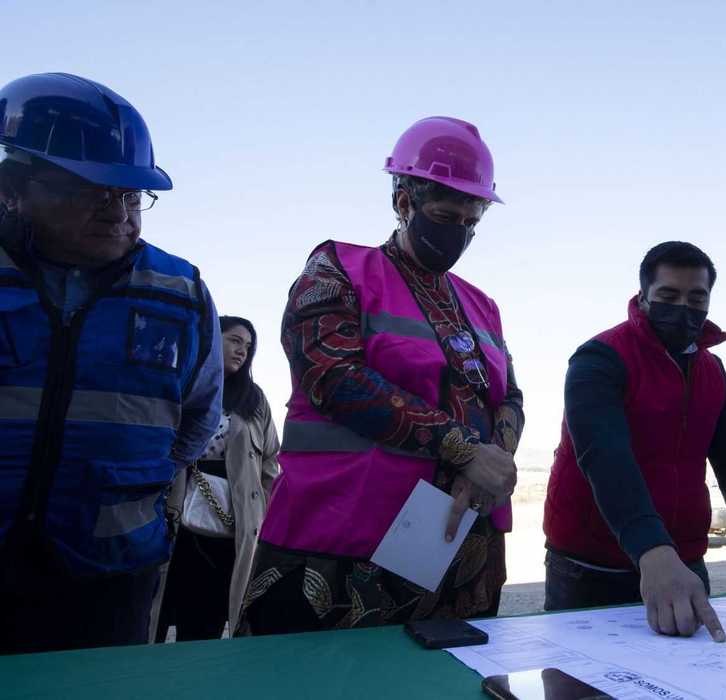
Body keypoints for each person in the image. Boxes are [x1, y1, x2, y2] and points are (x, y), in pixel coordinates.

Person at [241, 117, 523, 634]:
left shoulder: (482, 305)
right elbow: (333, 375)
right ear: (403, 202)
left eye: (470, 220)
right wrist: (464, 449)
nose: (457, 232)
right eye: (444, 215)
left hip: (461, 538)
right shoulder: (337, 270)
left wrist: (491, 464)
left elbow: (510, 397)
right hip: (343, 537)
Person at [0, 73, 222, 654]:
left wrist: (124, 488)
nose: (118, 212)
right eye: (91, 190)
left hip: (110, 580)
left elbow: (198, 419)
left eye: (129, 194)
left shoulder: (180, 293)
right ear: (14, 185)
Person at [543, 241, 726, 642]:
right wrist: (652, 551)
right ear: (643, 296)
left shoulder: (711, 371)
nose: (682, 308)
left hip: (684, 562)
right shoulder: (599, 361)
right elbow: (605, 459)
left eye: (696, 297)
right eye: (668, 296)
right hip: (591, 568)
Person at [155, 316, 279, 640]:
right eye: (235, 341)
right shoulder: (185, 385)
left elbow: (270, 462)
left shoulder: (254, 400)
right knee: (160, 605)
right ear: (213, 339)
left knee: (209, 613)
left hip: (232, 519)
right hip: (177, 506)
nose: (242, 351)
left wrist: (263, 513)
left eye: (248, 346)